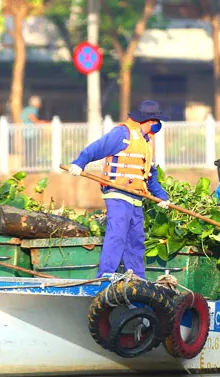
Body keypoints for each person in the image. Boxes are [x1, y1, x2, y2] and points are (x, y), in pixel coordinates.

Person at [69, 100, 171, 279]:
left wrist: (162, 196)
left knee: (136, 240)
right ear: (150, 121)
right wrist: (80, 163)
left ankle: (137, 278)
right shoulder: (122, 134)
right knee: (117, 235)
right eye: (157, 122)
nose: (158, 126)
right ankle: (106, 275)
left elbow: (150, 175)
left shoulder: (146, 143)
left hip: (136, 198)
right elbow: (96, 148)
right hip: (118, 194)